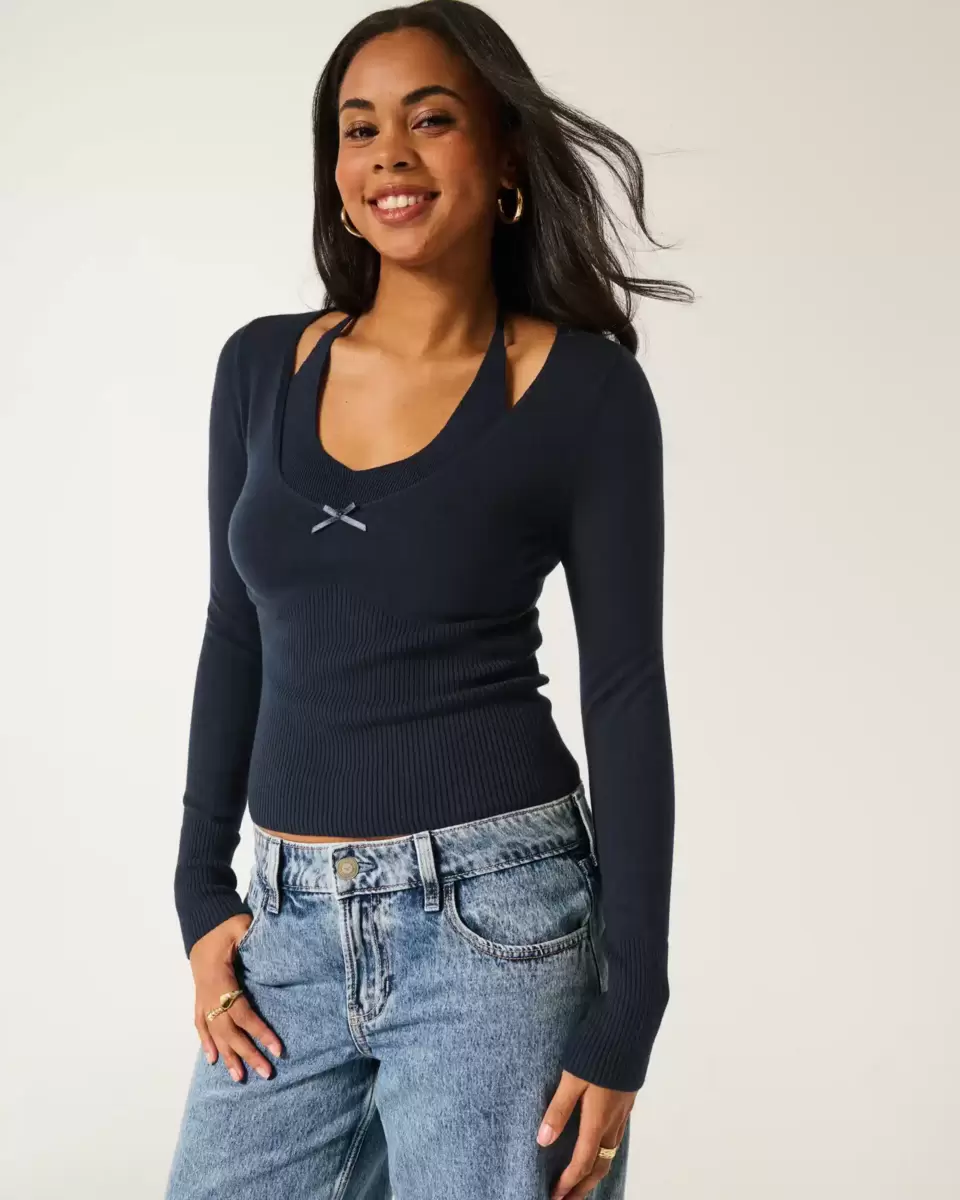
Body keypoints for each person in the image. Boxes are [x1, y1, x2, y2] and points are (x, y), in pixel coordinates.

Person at [165, 2, 693, 1197]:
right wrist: (200, 894)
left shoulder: (584, 393)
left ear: (504, 157)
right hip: (286, 928)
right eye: (358, 129)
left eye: (431, 119)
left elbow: (625, 691)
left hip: (499, 928)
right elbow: (234, 630)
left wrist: (632, 1006)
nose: (388, 156)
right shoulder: (261, 367)